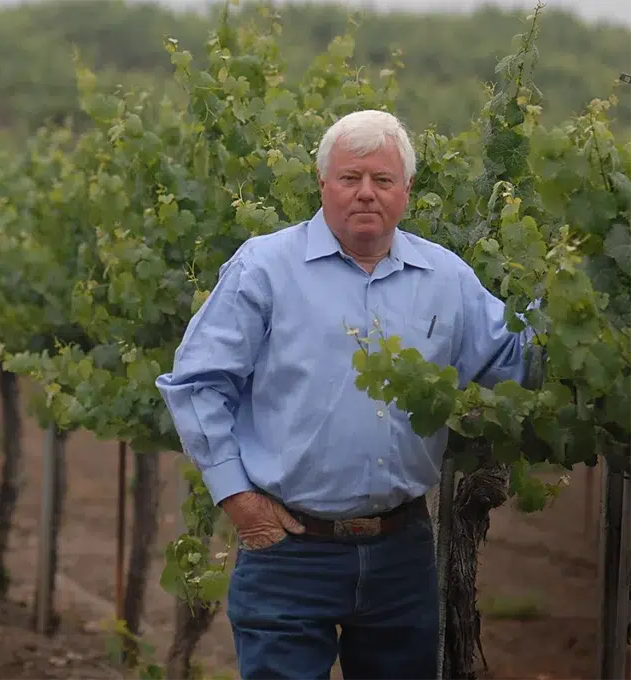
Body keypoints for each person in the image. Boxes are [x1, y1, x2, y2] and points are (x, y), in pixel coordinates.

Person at [155, 109, 539, 680]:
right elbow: (197, 384)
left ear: (406, 191)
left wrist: (565, 300)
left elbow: (516, 361)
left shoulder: (446, 278)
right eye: (349, 178)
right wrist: (237, 498)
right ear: (322, 184)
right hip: (287, 549)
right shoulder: (264, 268)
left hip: (400, 551)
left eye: (382, 180)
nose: (366, 194)